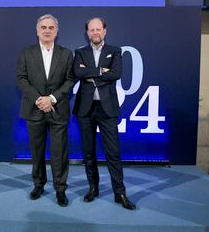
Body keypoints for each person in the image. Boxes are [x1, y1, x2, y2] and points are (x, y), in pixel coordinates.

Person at [73, 17, 136, 210]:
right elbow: (78, 73)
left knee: (113, 153)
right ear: (87, 33)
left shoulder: (115, 51)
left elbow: (116, 73)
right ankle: (93, 188)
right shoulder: (80, 53)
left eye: (98, 29)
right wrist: (102, 72)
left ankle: (120, 193)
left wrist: (92, 74)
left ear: (105, 31)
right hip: (85, 109)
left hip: (107, 109)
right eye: (91, 30)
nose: (95, 33)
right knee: (89, 152)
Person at [16, 14, 75, 207]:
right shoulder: (26, 52)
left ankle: (60, 189)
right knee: (37, 151)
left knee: (59, 153)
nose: (47, 30)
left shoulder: (66, 54)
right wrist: (39, 100)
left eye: (51, 27)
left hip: (58, 110)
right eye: (44, 27)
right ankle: (38, 185)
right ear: (37, 30)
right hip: (34, 110)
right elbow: (21, 79)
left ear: (57, 31)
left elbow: (70, 80)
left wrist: (52, 99)